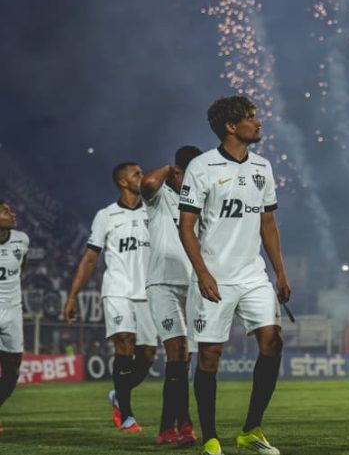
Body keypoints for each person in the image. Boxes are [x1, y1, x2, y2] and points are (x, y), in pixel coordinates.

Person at [178, 95, 291, 455]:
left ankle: (251, 429)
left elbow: (268, 224)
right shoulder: (202, 167)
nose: (258, 122)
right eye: (251, 117)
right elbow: (186, 227)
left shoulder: (263, 167)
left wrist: (280, 272)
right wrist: (202, 273)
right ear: (230, 126)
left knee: (272, 342)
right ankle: (210, 437)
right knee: (210, 356)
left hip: (252, 274)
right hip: (215, 276)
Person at [63, 162, 157, 433]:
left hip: (148, 291)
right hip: (117, 289)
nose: (143, 176)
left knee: (148, 355)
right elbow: (90, 258)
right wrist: (72, 296)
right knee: (124, 342)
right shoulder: (106, 216)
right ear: (123, 182)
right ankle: (127, 416)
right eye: (137, 174)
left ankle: (118, 394)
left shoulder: (154, 211)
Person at [141, 146, 202, 446]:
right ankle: (182, 426)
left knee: (184, 357)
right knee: (176, 349)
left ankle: (170, 428)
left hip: (192, 285)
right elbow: (148, 184)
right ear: (177, 172)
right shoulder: (160, 197)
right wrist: (169, 169)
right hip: (162, 283)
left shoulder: (198, 201)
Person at [0, 201, 29, 434]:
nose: (12, 214)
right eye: (5, 211)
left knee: (12, 372)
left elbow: (22, 268)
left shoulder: (22, 240)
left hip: (12, 311)